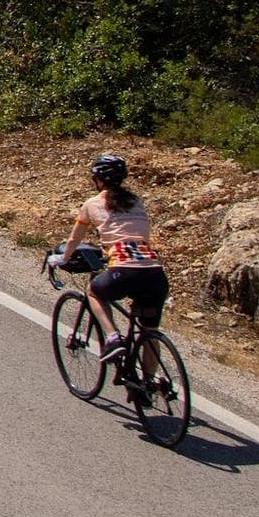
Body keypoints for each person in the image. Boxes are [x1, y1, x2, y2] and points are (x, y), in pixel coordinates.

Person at [58, 152, 169, 378]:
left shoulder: (92, 204)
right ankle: (147, 384)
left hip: (123, 269)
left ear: (98, 180)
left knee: (94, 291)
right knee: (148, 330)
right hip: (154, 273)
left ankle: (112, 337)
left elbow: (73, 240)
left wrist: (62, 258)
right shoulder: (136, 202)